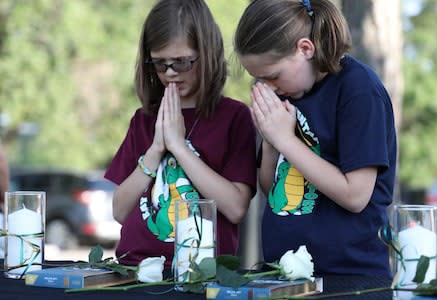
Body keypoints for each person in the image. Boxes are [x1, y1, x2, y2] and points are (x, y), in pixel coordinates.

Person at [234, 0, 397, 276]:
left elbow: (356, 195)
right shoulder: (287, 94)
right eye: (259, 79)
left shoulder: (358, 90)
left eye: (273, 76)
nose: (268, 87)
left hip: (346, 275)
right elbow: (270, 189)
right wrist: (271, 142)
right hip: (280, 271)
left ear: (305, 49)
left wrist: (286, 140)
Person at [105, 0, 257, 269]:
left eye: (182, 62)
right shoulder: (143, 120)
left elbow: (236, 208)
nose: (170, 73)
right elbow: (119, 211)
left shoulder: (234, 117)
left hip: (201, 272)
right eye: (160, 64)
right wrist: (155, 151)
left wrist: (179, 146)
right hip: (136, 268)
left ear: (207, 53)